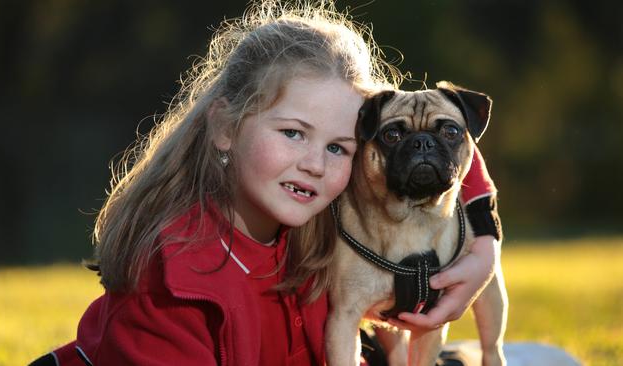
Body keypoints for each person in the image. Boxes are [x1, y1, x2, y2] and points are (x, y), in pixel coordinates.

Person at [29, 1, 502, 365]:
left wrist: (485, 241)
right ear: (226, 128)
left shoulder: (308, 221)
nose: (315, 163)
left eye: (338, 148)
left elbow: (435, 139)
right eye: (293, 133)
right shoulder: (175, 280)